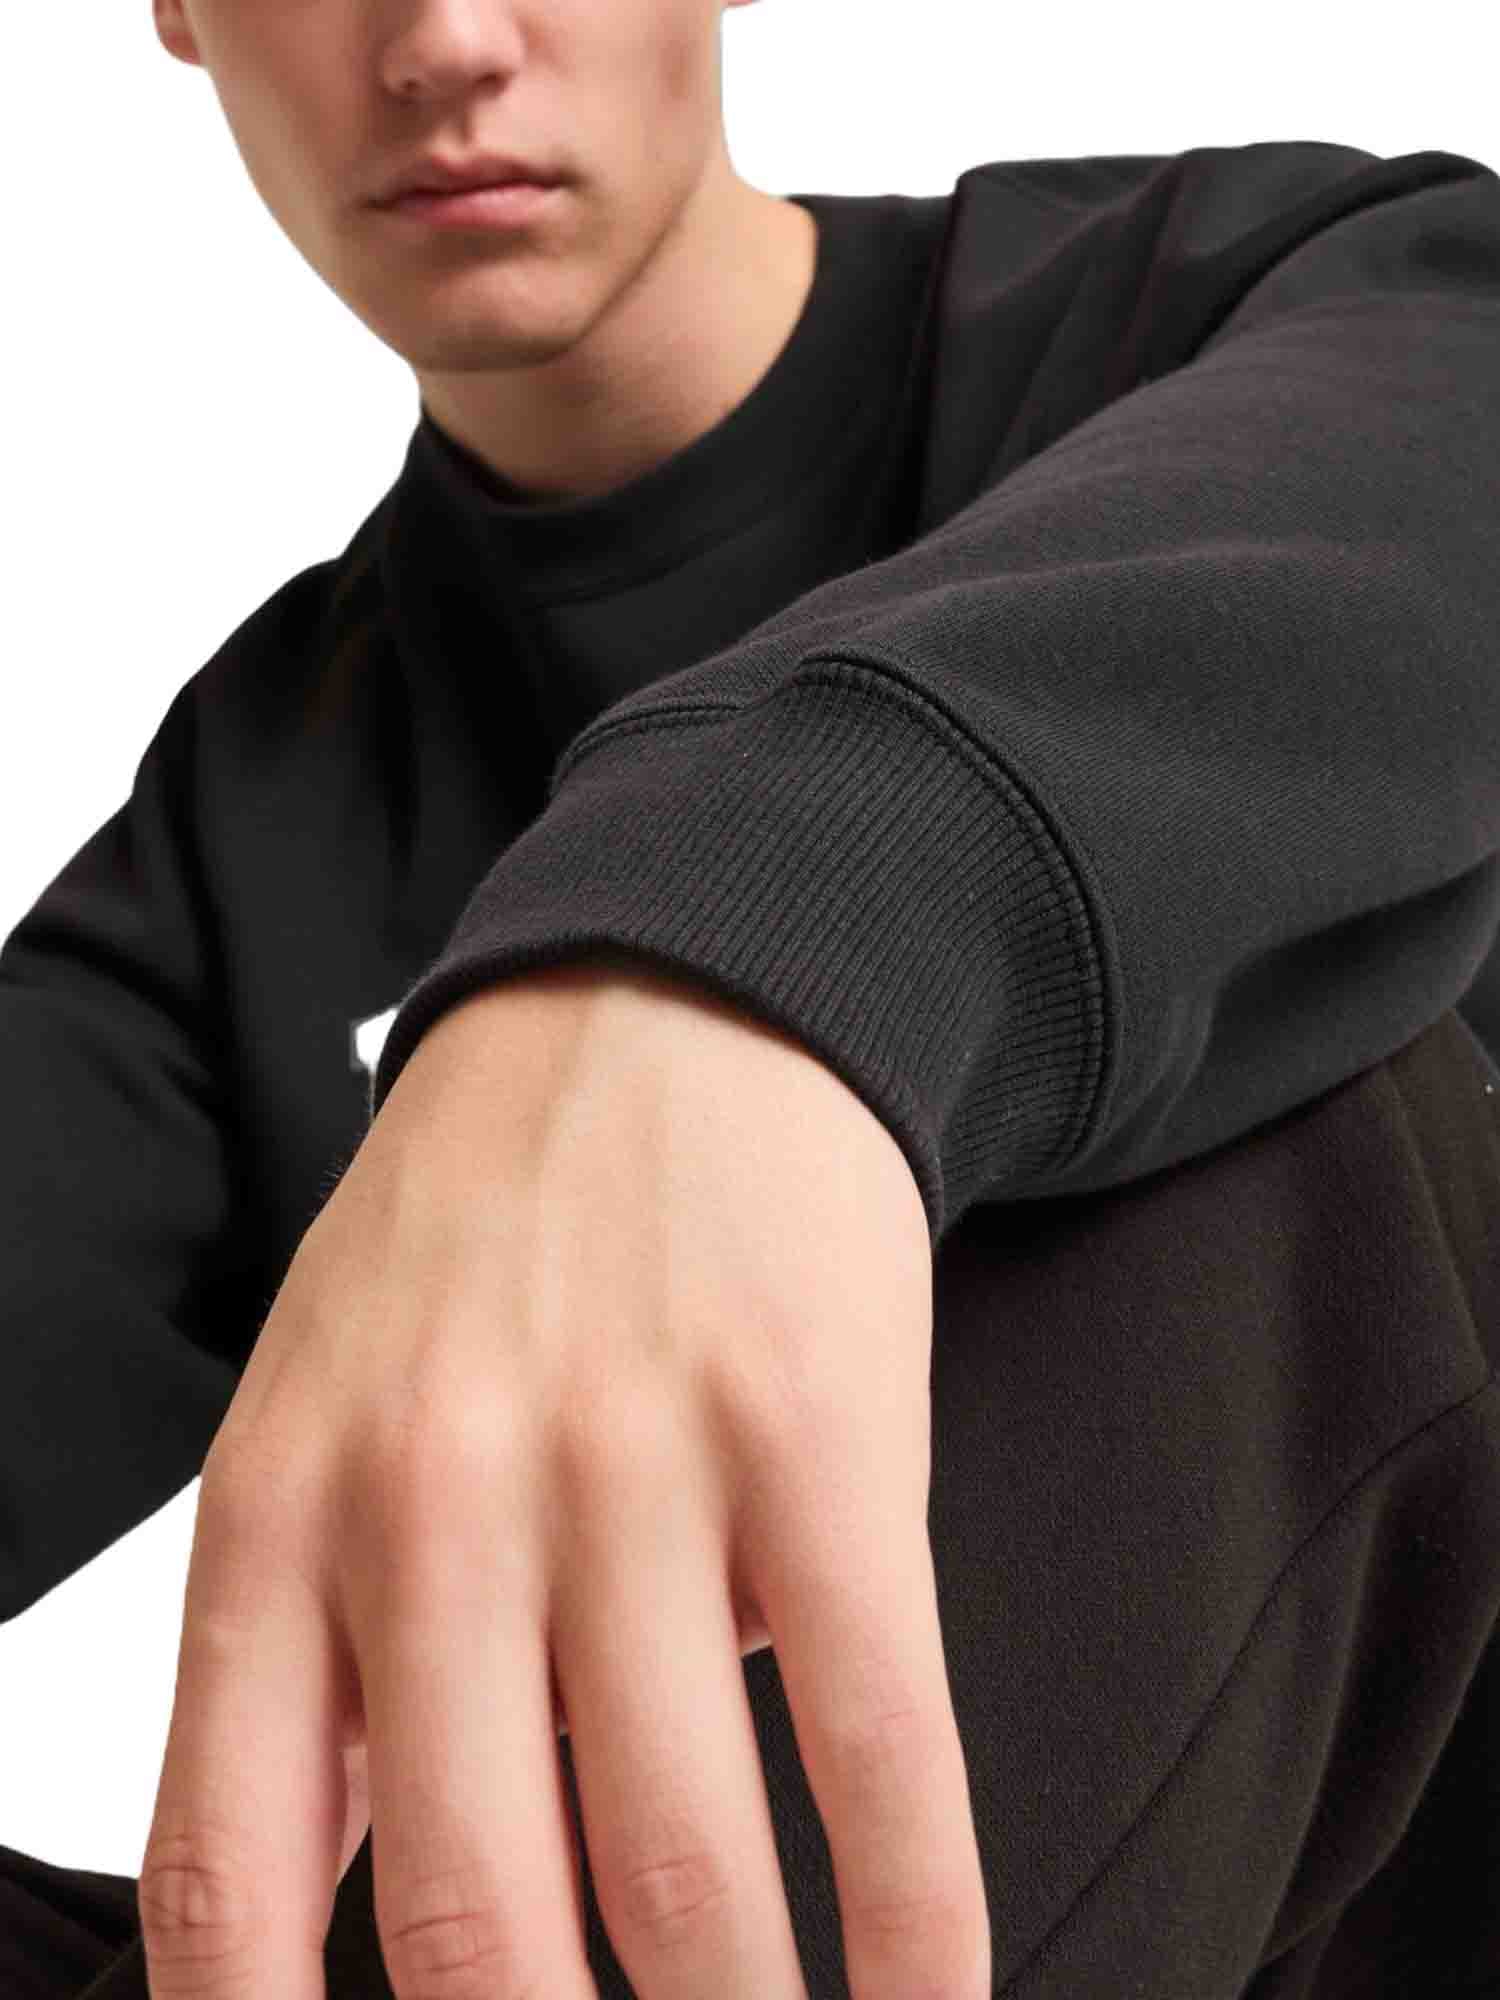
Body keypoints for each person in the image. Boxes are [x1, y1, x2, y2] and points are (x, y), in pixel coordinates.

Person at [3, 0, 1500, 1993]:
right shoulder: (257, 807)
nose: (445, 39)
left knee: (1253, 1079)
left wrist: (763, 930)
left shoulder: (1271, 304)